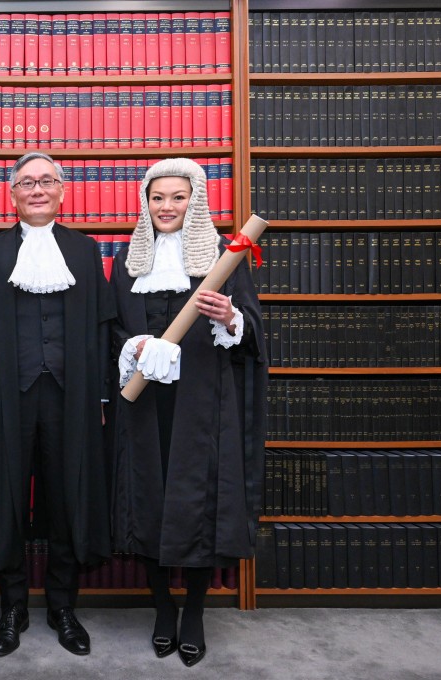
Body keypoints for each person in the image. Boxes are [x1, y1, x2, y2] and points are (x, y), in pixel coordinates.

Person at [109, 158, 267, 667]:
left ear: (193, 201)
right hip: (145, 401)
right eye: (158, 198)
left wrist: (231, 317)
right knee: (150, 501)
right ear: (145, 203)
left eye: (178, 197)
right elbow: (111, 329)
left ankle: (194, 613)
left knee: (198, 504)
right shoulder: (125, 262)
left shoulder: (222, 257)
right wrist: (132, 345)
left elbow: (252, 334)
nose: (167, 207)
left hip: (202, 402)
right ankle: (162, 607)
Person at [0, 151, 115, 658]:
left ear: (62, 190)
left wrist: (97, 396)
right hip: (7, 394)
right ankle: (11, 605)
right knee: (6, 497)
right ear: (12, 194)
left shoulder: (85, 250)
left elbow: (99, 330)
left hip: (72, 397)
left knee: (68, 496)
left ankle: (62, 604)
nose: (37, 189)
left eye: (47, 180)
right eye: (26, 182)